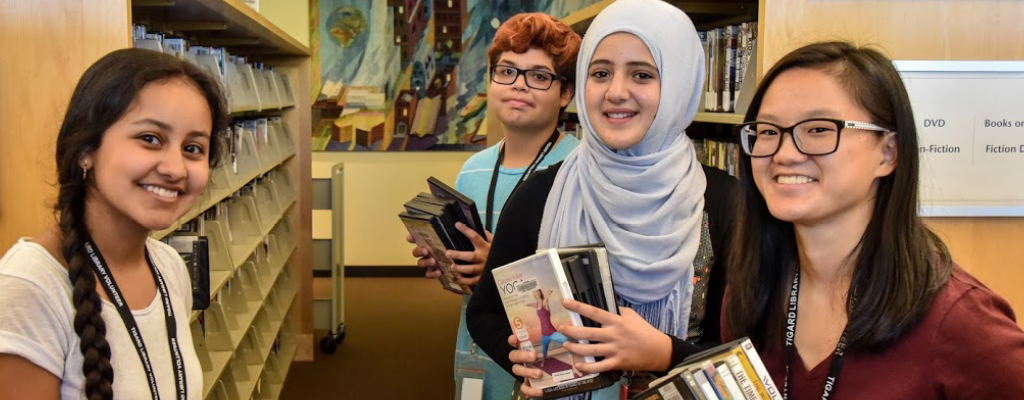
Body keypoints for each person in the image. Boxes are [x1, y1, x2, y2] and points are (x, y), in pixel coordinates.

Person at [723, 41, 1024, 399]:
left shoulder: (959, 320)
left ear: (888, 152)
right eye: (769, 131)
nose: (785, 154)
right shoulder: (753, 289)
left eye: (819, 129)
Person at [466, 0, 737, 397]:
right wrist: (522, 361)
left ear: (681, 84)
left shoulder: (725, 203)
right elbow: (485, 311)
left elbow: (751, 353)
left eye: (642, 74)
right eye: (601, 72)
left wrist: (664, 353)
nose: (616, 92)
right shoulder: (542, 194)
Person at [0, 48, 228, 400]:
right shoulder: (28, 289)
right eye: (150, 139)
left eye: (193, 148)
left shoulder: (169, 268)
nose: (175, 168)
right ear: (85, 151)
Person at [404, 13, 582, 399]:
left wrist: (497, 271)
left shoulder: (578, 171)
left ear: (565, 93)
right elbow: (472, 284)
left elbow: (585, 290)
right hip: (474, 351)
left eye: (538, 76)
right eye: (507, 71)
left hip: (546, 365)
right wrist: (448, 261)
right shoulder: (474, 169)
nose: (518, 85)